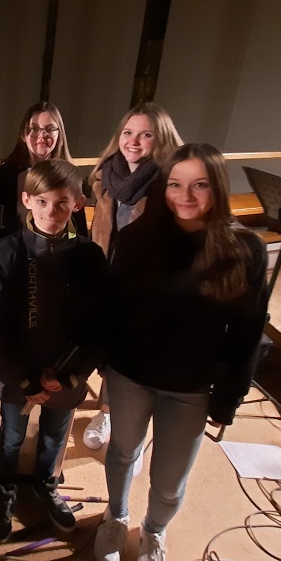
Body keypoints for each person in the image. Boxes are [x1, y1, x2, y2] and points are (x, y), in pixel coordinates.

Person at [92, 143, 268, 561]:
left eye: (198, 185)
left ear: (218, 187)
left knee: (170, 480)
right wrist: (102, 359)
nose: (185, 196)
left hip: (191, 385)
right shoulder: (137, 238)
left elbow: (247, 331)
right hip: (131, 374)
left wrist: (229, 398)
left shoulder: (245, 249)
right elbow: (113, 307)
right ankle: (116, 515)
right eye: (175, 184)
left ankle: (154, 532)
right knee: (123, 452)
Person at [0, 159, 107, 542]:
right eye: (41, 202)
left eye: (61, 203)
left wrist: (70, 375)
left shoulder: (89, 256)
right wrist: (25, 379)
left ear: (78, 204)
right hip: (16, 373)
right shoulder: (6, 251)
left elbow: (98, 325)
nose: (51, 212)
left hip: (65, 373)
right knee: (11, 436)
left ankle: (46, 483)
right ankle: (4, 487)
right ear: (26, 200)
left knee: (55, 436)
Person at [81, 103, 182, 450]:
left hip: (146, 286)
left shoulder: (169, 184)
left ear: (161, 139)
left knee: (137, 357)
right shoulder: (106, 177)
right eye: (128, 132)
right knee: (109, 353)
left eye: (145, 134)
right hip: (107, 277)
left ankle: (131, 431)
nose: (133, 141)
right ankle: (106, 413)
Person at [0, 101, 86, 258]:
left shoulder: (69, 176)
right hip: (13, 258)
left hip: (61, 257)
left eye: (50, 129)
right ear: (23, 135)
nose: (42, 135)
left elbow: (80, 229)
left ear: (59, 134)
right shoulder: (4, 176)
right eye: (34, 128)